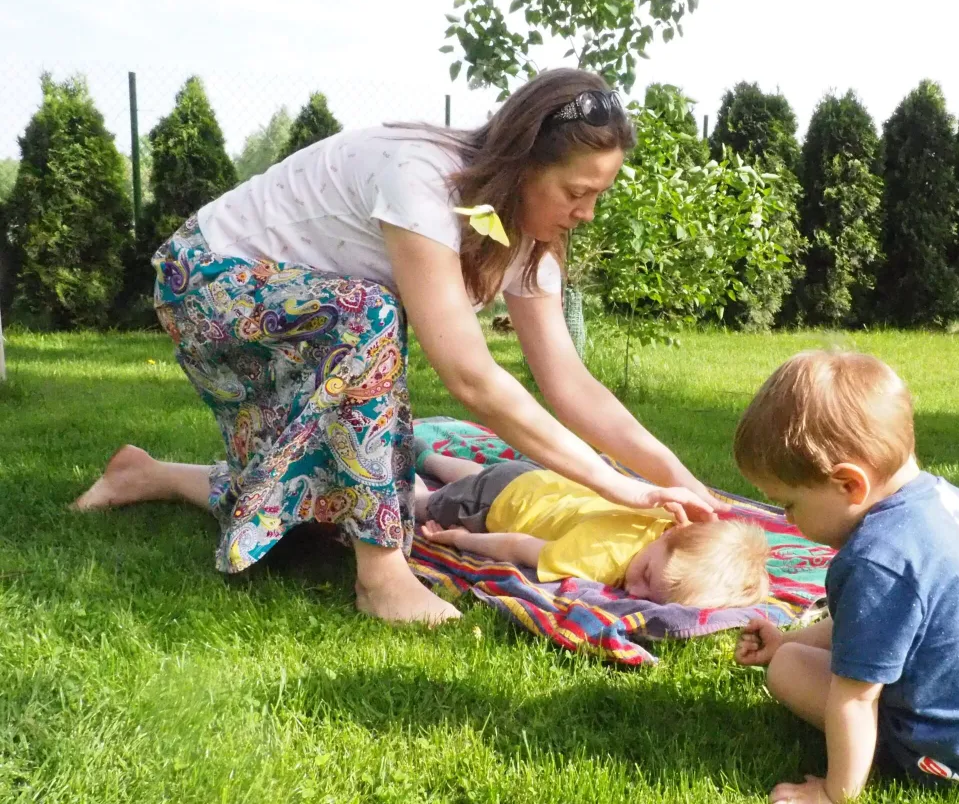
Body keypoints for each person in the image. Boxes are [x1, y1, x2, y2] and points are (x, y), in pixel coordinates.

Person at [73, 69, 726, 626]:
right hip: (206, 281)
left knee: (325, 486)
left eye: (596, 197)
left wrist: (674, 480)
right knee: (370, 318)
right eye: (576, 193)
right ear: (523, 164)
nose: (585, 213)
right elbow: (469, 376)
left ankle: (145, 475)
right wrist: (613, 483)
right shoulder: (425, 180)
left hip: (292, 306)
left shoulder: (525, 234)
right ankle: (380, 577)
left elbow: (568, 381)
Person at [731, 350, 959, 804]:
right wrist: (788, 639)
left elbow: (856, 698)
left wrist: (836, 794)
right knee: (793, 654)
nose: (788, 521)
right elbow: (866, 626)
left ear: (849, 486)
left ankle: (861, 773)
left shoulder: (879, 560)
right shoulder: (945, 502)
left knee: (790, 669)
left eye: (789, 504)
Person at [417, 453, 770, 606]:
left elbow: (704, 543)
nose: (635, 591)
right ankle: (408, 468)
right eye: (646, 575)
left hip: (531, 479)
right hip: (497, 506)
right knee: (422, 506)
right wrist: (462, 539)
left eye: (650, 597)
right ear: (670, 536)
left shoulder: (667, 519)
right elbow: (517, 545)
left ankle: (429, 458)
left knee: (475, 476)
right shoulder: (599, 559)